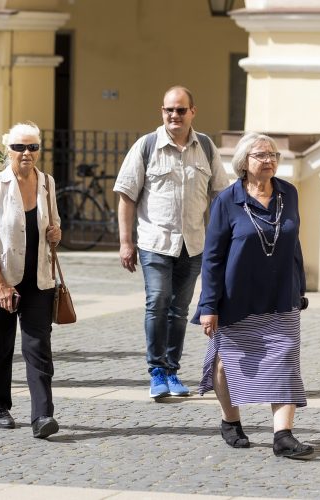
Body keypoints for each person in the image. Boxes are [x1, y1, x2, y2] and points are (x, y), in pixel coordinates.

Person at [191, 132, 314, 459]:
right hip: (236, 297)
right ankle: (230, 420)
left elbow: (293, 244)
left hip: (280, 294)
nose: (270, 160)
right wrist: (208, 305)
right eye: (261, 155)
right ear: (244, 163)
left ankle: (283, 436)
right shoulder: (226, 201)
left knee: (286, 357)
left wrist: (298, 286)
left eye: (273, 154)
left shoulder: (289, 193)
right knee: (225, 363)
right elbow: (213, 256)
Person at [114, 86, 229, 399]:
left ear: (193, 111)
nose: (174, 116)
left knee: (179, 310)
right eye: (169, 110)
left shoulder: (205, 146)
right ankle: (157, 370)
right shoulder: (147, 146)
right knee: (158, 302)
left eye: (180, 110)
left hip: (193, 245)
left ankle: (173, 371)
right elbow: (126, 195)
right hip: (155, 242)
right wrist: (126, 242)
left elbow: (221, 193)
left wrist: (221, 239)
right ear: (162, 111)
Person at [0, 122, 61, 439]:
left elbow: (54, 226)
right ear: (8, 149)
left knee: (38, 346)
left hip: (38, 279)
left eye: (32, 147)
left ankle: (42, 415)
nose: (26, 153)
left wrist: (57, 234)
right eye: (19, 147)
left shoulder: (47, 183)